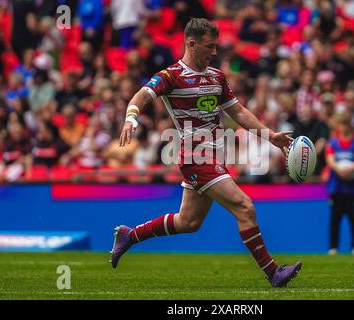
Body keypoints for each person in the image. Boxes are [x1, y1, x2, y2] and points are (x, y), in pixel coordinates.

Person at [111, 18, 302, 287]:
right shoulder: (171, 76)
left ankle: (130, 235)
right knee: (245, 207)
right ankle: (273, 273)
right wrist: (131, 117)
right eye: (209, 46)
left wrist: (269, 135)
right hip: (196, 157)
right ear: (191, 43)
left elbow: (238, 112)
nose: (214, 52)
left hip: (215, 155)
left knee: (188, 222)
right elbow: (141, 96)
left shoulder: (217, 77)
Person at [325, 113, 354, 256]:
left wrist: (352, 169)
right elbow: (330, 159)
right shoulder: (333, 143)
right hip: (337, 187)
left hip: (352, 187)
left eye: (346, 124)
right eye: (342, 124)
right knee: (335, 219)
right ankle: (333, 247)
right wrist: (339, 170)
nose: (344, 127)